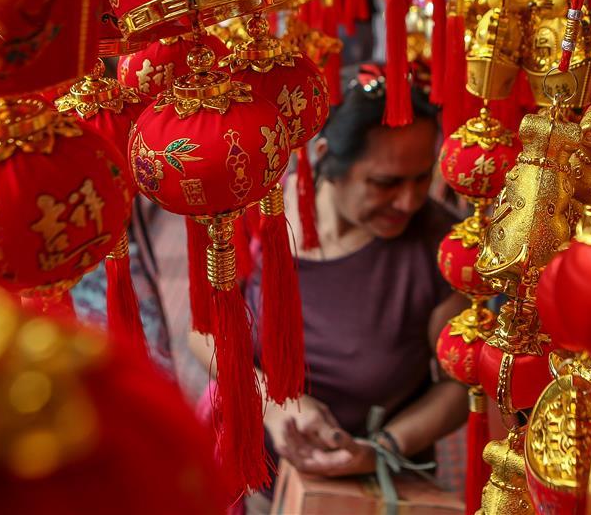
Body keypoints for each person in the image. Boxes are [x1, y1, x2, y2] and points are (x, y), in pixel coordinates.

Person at [189, 64, 469, 510]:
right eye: (385, 183)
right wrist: (276, 405)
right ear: (326, 157)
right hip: (251, 473)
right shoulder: (255, 213)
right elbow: (204, 330)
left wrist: (380, 449)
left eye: (422, 178)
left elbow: (459, 386)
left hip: (376, 486)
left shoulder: (442, 247)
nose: (410, 202)